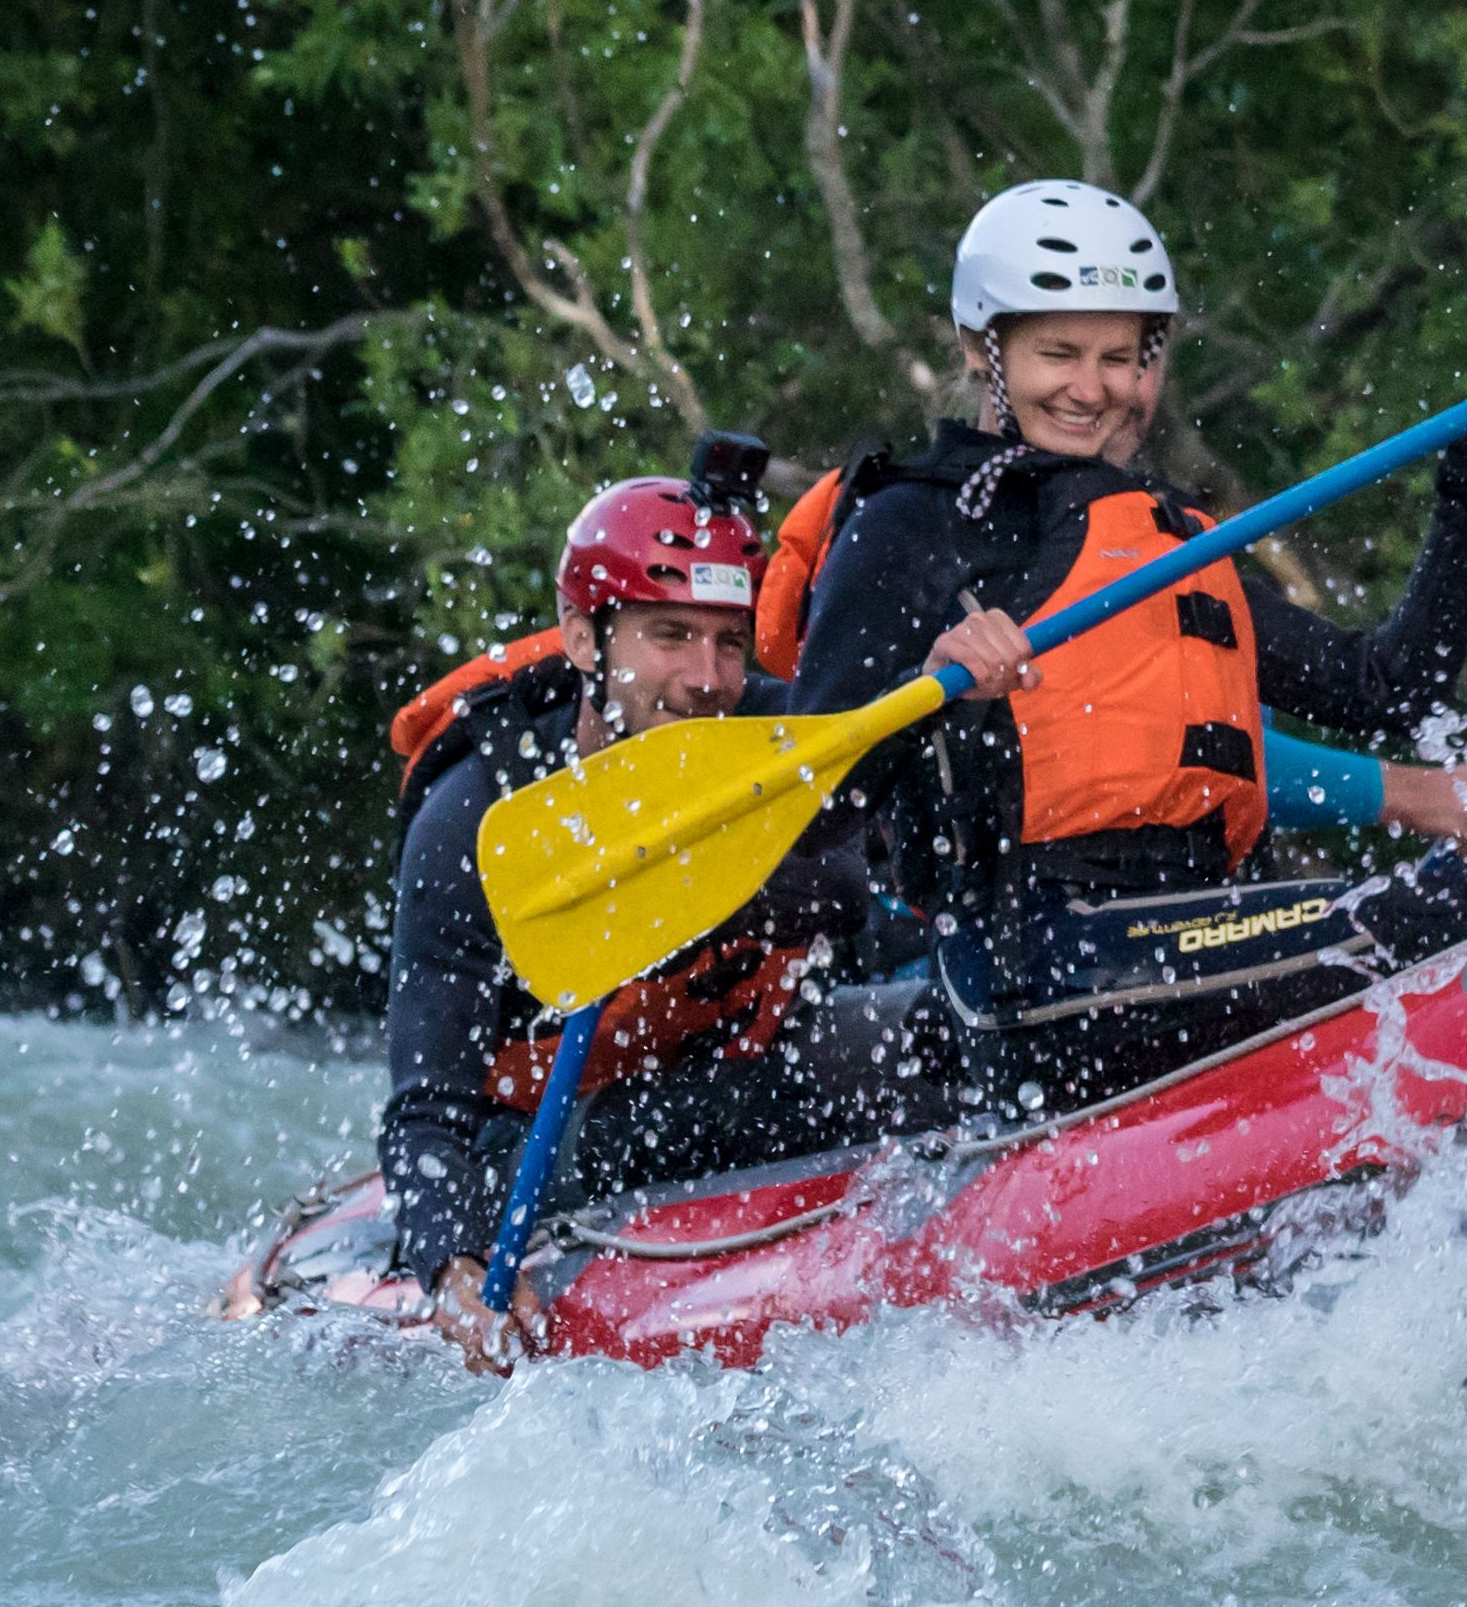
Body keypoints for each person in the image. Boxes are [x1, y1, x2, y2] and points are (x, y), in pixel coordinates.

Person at [779, 179, 1467, 1088]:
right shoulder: (910, 523)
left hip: (1195, 926)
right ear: (978, 348)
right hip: (1035, 959)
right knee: (1461, 904)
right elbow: (813, 810)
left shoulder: (1171, 537)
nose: (1091, 388)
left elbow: (1388, 686)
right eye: (1057, 353)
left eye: (1119, 357)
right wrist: (926, 689)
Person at [378, 446, 1028, 1370]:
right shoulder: (476, 819)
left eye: (727, 640)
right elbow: (425, 1108)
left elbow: (892, 874)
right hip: (543, 1139)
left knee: (957, 1035)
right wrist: (448, 1263)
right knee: (741, 1107)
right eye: (670, 635)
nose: (707, 678)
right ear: (580, 635)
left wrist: (950, 706)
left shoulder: (766, 729)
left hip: (747, 1056)